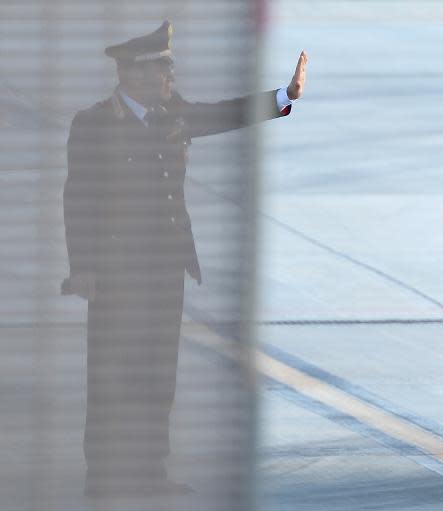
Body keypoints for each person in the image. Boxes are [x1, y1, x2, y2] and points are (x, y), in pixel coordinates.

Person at [62, 20, 307, 497]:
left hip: (164, 267)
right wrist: (83, 267)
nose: (170, 77)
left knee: (159, 372)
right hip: (115, 273)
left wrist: (285, 94)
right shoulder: (93, 123)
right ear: (133, 73)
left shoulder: (169, 113)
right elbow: (78, 198)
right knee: (111, 371)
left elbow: (224, 114)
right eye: (162, 69)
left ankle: (151, 470)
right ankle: (103, 473)